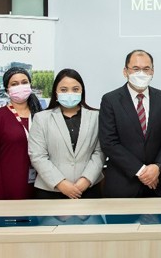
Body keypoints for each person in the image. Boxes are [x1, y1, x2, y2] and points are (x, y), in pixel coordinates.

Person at [98, 49, 161, 197]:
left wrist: (157, 167)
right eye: (136, 69)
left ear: (152, 71)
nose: (141, 73)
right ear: (125, 71)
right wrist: (142, 171)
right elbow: (109, 142)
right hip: (123, 186)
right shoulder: (110, 100)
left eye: (146, 69)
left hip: (158, 184)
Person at [28, 69, 105, 199]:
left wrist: (85, 181)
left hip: (89, 189)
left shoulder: (97, 117)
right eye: (64, 90)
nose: (70, 93)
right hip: (50, 191)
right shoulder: (41, 118)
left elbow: (100, 152)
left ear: (82, 92)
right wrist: (61, 184)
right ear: (56, 93)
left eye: (75, 89)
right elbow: (37, 156)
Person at [0, 67, 42, 200]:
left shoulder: (41, 115)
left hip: (42, 187)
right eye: (14, 84)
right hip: (9, 188)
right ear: (7, 90)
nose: (20, 86)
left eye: (24, 82)